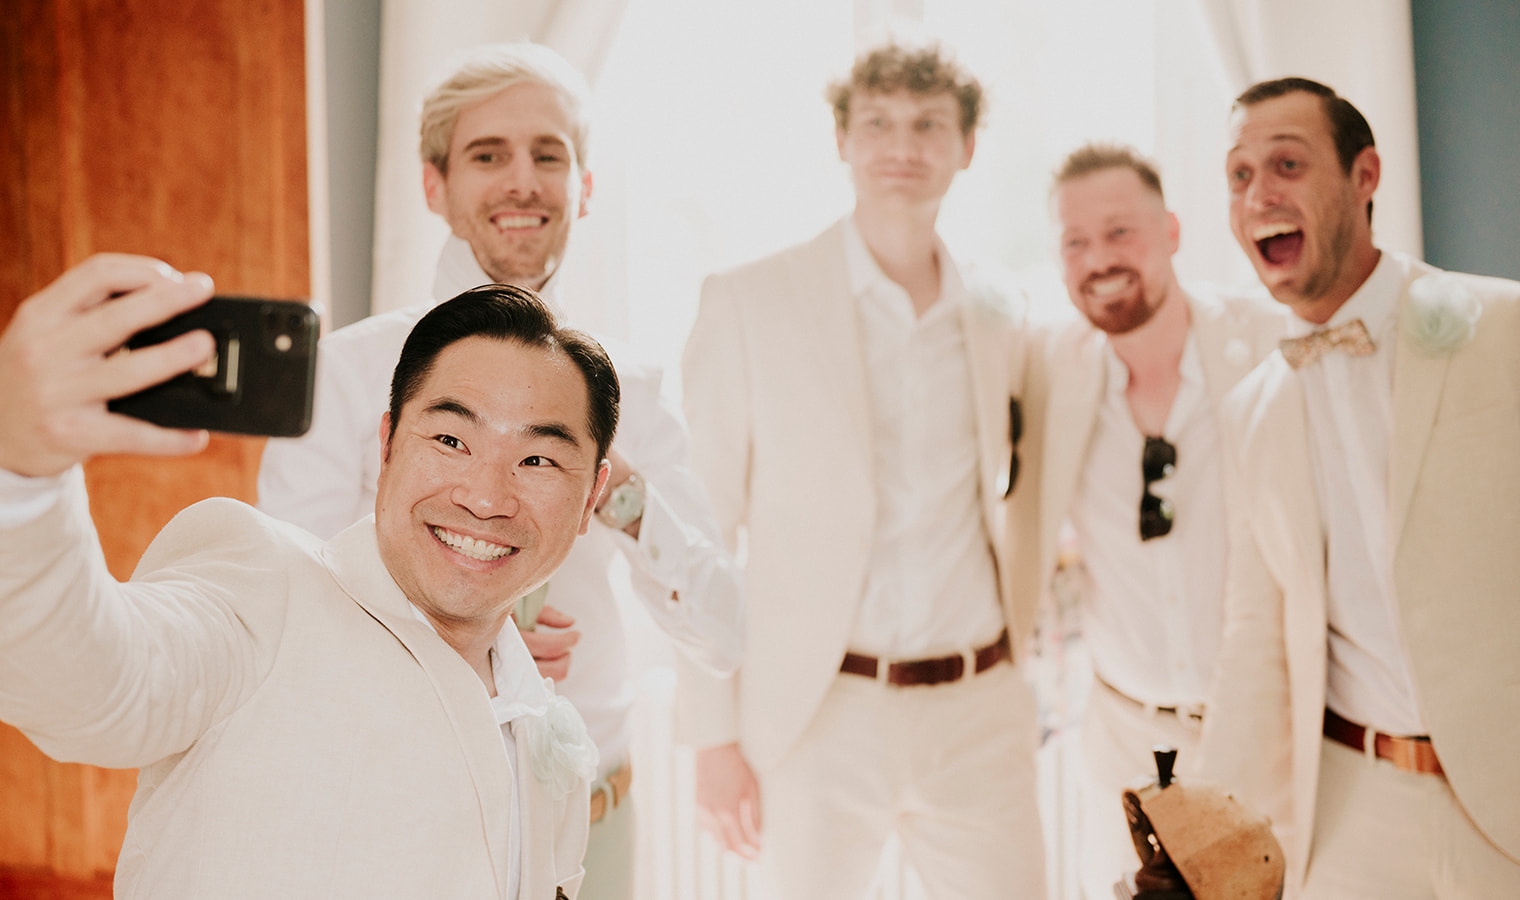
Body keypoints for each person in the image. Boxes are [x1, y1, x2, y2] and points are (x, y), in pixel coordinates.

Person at [0, 257, 620, 898]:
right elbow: (90, 686)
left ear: (591, 497)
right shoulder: (264, 588)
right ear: (385, 447)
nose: (486, 497)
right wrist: (8, 471)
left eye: (538, 461)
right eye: (449, 439)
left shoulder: (544, 722)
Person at [257, 42, 744, 900]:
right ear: (434, 185)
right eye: (488, 155)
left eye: (548, 156)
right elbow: (289, 606)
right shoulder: (346, 375)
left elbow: (724, 631)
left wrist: (628, 499)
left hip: (592, 826)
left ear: (583, 188)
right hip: (400, 818)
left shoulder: (634, 389)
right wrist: (464, 638)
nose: (523, 181)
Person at [680, 37, 1045, 899]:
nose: (902, 146)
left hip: (978, 707)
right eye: (878, 123)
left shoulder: (1000, 311)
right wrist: (710, 735)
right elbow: (700, 529)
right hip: (818, 709)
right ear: (842, 139)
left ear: (967, 146)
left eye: (929, 124)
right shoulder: (749, 300)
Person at [1197, 76, 1520, 897]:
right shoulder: (1249, 411)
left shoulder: (1505, 328)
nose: (1259, 194)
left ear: (1365, 175)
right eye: (1239, 175)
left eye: (1287, 164)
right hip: (1350, 815)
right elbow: (1253, 639)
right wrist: (1208, 847)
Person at [1004, 143, 1286, 899]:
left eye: (1120, 232)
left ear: (1171, 231)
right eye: (1075, 242)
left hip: (1267, 734)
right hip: (1126, 744)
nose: (1099, 259)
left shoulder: (1269, 343)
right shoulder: (1050, 366)